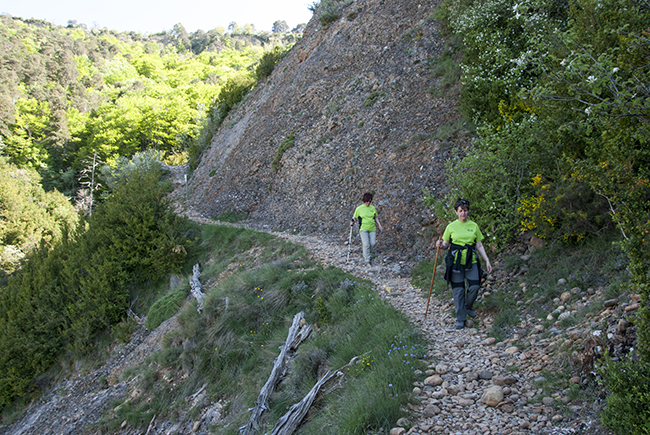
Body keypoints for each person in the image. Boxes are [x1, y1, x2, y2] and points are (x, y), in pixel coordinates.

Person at [436, 199, 493, 329]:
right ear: (456, 212)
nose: (463, 213)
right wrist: (440, 245)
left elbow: (479, 244)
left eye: (465, 210)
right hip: (455, 262)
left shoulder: (474, 226)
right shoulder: (450, 227)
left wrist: (487, 260)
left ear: (468, 211)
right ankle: (460, 318)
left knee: (474, 286)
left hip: (471, 261)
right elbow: (445, 244)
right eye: (461, 211)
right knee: (458, 290)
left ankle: (468, 306)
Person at [351, 192, 384, 265]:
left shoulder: (372, 208)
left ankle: (368, 254)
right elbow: (354, 217)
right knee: (366, 244)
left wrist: (379, 225)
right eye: (367, 201)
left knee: (373, 243)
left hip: (372, 228)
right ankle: (367, 260)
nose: (368, 203)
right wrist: (352, 221)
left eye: (370, 201)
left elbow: (376, 217)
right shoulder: (359, 208)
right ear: (364, 201)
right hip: (363, 228)